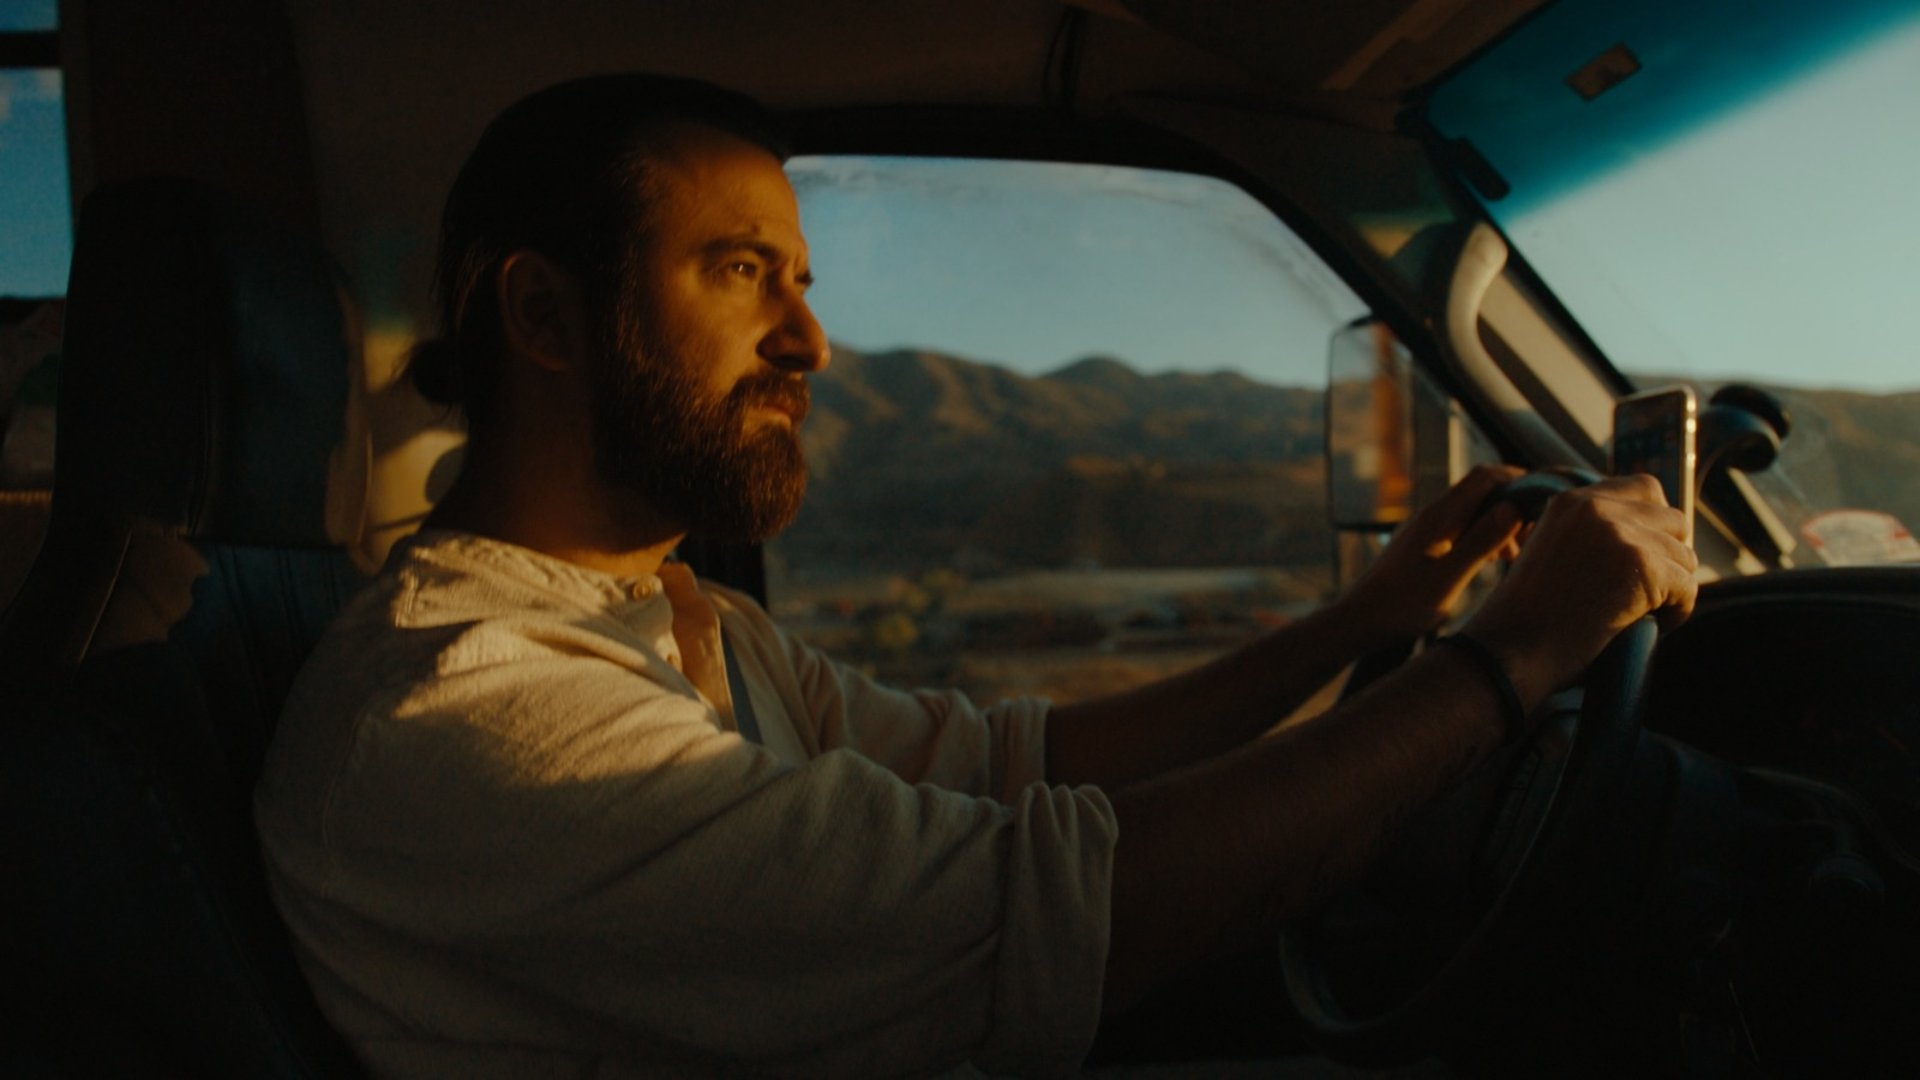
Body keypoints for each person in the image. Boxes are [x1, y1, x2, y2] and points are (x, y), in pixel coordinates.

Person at [255, 74, 1698, 1079]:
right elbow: (1062, 908)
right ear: (543, 313)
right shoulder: (472, 708)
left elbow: (1014, 764)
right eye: (742, 270)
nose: (812, 342)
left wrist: (1366, 624)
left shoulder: (678, 622)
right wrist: (1506, 662)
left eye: (804, 281)